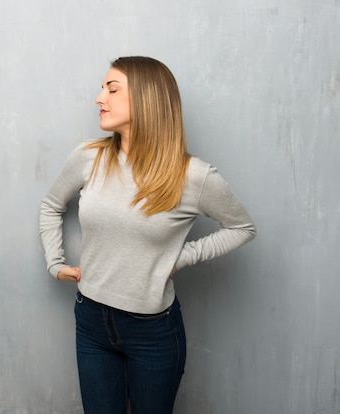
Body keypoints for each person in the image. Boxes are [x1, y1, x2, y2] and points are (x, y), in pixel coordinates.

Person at [39, 56, 256, 414]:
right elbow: (51, 205)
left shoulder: (193, 177)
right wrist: (55, 263)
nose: (98, 97)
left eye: (111, 88)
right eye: (102, 88)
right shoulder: (88, 158)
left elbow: (242, 228)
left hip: (153, 332)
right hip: (91, 320)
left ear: (146, 98)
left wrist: (182, 257)